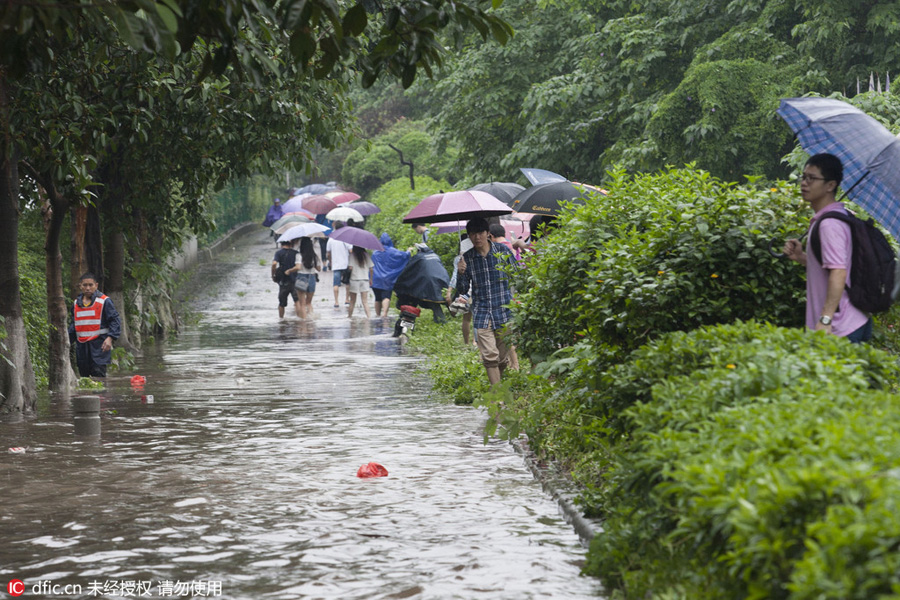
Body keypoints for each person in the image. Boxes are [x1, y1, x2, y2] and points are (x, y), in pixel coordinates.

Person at [783, 153, 873, 343]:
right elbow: (835, 266)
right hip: (854, 319)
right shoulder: (839, 215)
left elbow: (839, 272)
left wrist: (825, 320)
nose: (804, 183)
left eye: (812, 178)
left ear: (830, 185)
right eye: (804, 176)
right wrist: (801, 258)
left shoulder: (829, 224)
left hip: (839, 327)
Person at [456, 217, 519, 385]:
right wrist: (460, 273)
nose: (477, 238)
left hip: (504, 310)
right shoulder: (467, 259)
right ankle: (497, 395)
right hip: (482, 312)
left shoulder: (502, 252)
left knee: (501, 357)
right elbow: (462, 290)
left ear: (488, 234)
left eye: (480, 233)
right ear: (469, 236)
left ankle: (499, 382)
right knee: (490, 356)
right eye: (473, 234)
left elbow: (517, 276)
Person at [68, 272, 121, 377]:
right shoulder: (75, 304)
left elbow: (115, 320)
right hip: (82, 348)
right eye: (85, 285)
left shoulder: (104, 301)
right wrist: (67, 342)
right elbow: (74, 325)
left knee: (99, 377)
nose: (88, 288)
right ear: (80, 286)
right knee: (84, 378)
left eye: (90, 285)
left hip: (99, 346)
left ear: (96, 285)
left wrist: (110, 338)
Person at [393, 243, 450, 324]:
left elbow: (408, 270)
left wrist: (399, 282)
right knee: (438, 303)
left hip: (429, 283)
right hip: (443, 281)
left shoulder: (418, 257)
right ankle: (447, 320)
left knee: (432, 304)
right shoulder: (435, 256)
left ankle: (442, 322)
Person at [371, 233, 411, 317]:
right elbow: (404, 256)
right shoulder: (393, 251)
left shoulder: (375, 253)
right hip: (388, 279)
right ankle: (385, 314)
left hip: (376, 278)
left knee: (377, 298)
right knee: (386, 297)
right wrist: (408, 251)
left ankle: (377, 315)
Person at [445, 236, 475, 346]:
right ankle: (474, 342)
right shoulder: (477, 254)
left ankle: (467, 343)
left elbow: (455, 276)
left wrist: (449, 291)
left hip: (465, 289)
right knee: (476, 317)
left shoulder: (459, 258)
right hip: (474, 289)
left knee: (466, 318)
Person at [287, 237, 321, 319]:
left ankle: (304, 322)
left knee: (302, 303)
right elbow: (319, 269)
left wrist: (290, 270)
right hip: (312, 277)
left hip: (301, 277)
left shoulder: (299, 255)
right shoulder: (314, 256)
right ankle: (311, 320)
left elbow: (298, 267)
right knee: (309, 302)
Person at [271, 239, 301, 319]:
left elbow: (274, 264)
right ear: (290, 243)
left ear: (281, 244)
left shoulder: (279, 253)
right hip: (294, 279)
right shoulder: (296, 253)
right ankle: (300, 319)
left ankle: (281, 320)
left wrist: (273, 274)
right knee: (297, 300)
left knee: (281, 303)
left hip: (283, 281)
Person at [326, 222, 352, 308]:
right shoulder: (346, 238)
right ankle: (347, 299)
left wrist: (330, 261)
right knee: (347, 283)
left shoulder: (331, 239)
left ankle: (336, 302)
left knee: (336, 284)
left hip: (336, 265)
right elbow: (351, 251)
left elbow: (328, 253)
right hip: (346, 264)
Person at [347, 245, 375, 319]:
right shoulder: (366, 255)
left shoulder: (352, 255)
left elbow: (350, 267)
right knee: (365, 301)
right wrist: (371, 279)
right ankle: (369, 317)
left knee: (352, 301)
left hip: (354, 279)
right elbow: (371, 269)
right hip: (365, 279)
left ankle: (349, 317)